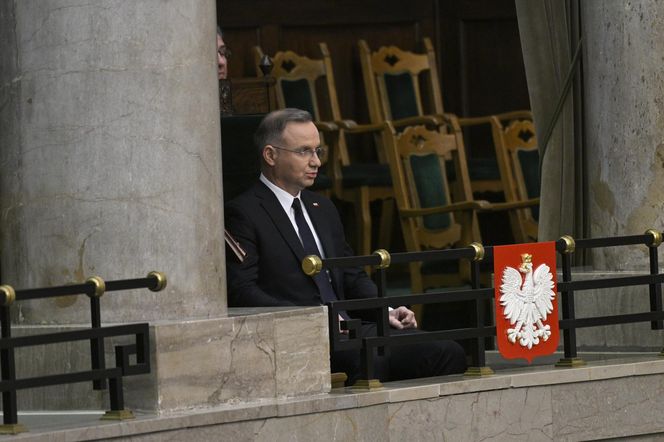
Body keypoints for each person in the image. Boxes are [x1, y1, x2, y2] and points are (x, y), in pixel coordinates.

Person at [225, 108, 466, 384]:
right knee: (371, 363)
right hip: (301, 337)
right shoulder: (243, 212)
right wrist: (312, 319)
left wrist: (386, 311)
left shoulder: (322, 208)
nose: (316, 161)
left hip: (353, 331)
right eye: (304, 151)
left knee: (448, 353)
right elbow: (243, 292)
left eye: (318, 151)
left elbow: (351, 276)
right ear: (270, 155)